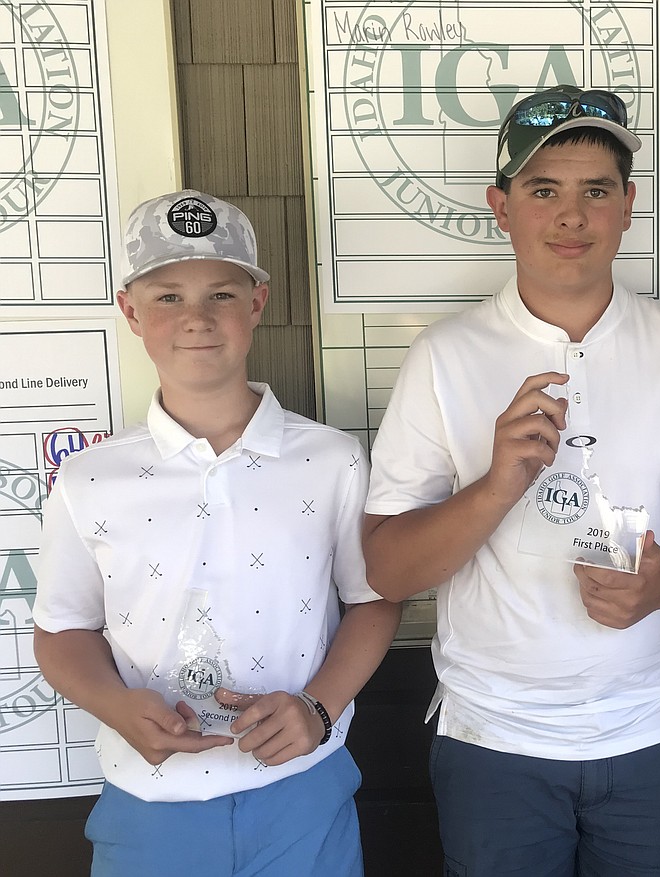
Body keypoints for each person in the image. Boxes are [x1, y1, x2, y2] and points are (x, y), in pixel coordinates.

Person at [362, 84, 660, 876]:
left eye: (595, 191)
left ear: (627, 206)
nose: (571, 216)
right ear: (501, 205)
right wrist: (493, 487)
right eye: (542, 189)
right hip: (494, 737)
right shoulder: (445, 357)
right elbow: (386, 566)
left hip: (651, 727)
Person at [33, 189, 401, 877]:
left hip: (302, 792)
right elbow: (60, 630)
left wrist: (318, 707)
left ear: (257, 302)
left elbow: (374, 601)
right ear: (129, 310)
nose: (196, 318)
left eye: (221, 294)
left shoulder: (331, 459)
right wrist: (115, 704)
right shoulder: (88, 478)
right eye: (168, 296)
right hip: (150, 806)